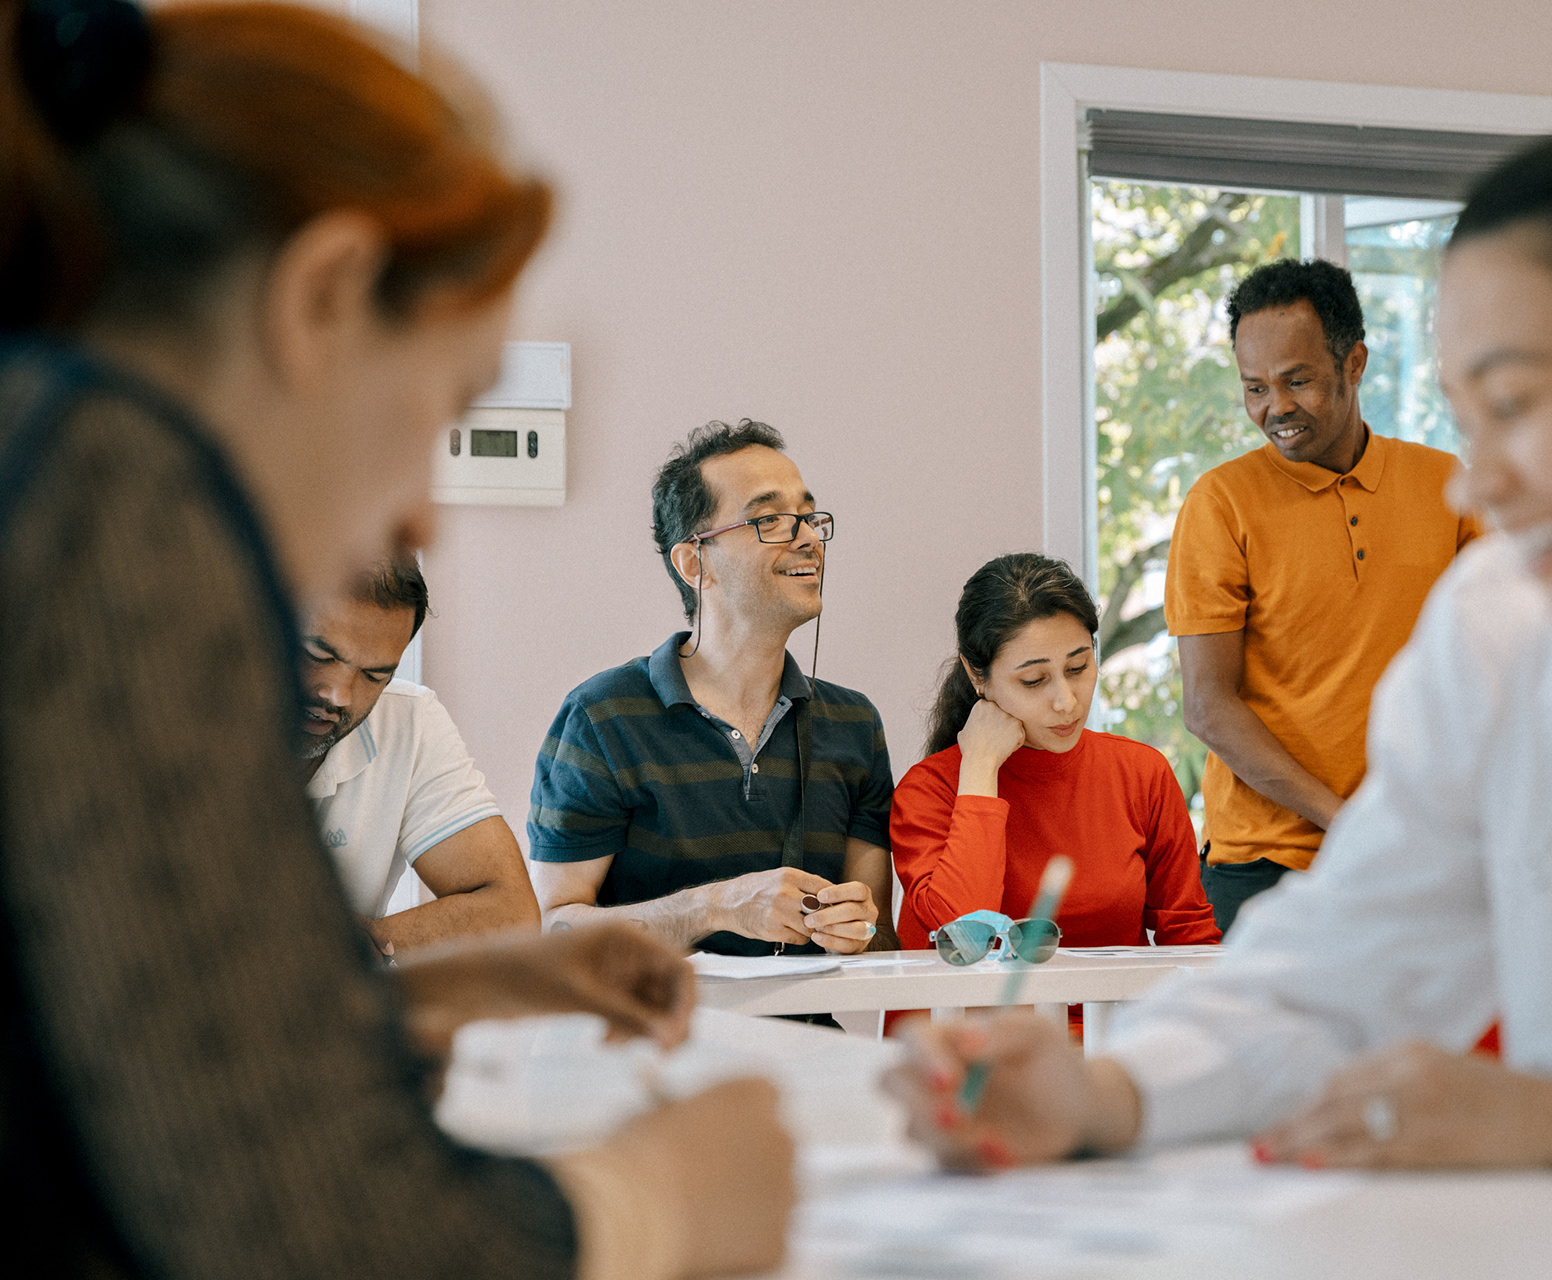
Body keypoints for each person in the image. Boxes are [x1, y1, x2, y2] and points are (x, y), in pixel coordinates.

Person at [883, 121, 1552, 1244]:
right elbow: (1333, 971)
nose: (1478, 484)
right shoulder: (1503, 632)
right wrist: (1104, 1094)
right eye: (1465, 421)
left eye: (1516, 404)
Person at [0, 3, 790, 1277]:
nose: (424, 510)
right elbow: (301, 1220)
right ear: (323, 295)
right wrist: (657, 1198)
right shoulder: (105, 490)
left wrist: (459, 988)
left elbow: (129, 1047)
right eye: (446, 405)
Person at [1168, 259, 1479, 932]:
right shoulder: (1221, 505)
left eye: (1296, 380)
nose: (1273, 406)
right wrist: (1345, 819)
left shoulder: (1446, 487)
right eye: (1254, 387)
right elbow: (1208, 706)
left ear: (1354, 362)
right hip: (1264, 871)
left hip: (1414, 858)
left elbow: (1493, 669)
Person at [528, 420, 896, 956]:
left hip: (807, 1039)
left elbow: (880, 939)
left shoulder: (854, 724)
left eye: (809, 517)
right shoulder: (603, 717)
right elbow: (554, 930)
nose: (810, 538)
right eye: (769, 518)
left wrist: (859, 930)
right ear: (693, 562)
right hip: (652, 1039)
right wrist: (716, 907)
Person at [891, 553, 1219, 959]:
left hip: (1110, 1021)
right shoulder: (929, 790)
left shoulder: (1141, 773)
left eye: (1078, 667)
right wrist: (978, 769)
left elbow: (1191, 939)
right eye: (1034, 680)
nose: (1066, 702)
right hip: (980, 1023)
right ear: (978, 675)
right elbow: (964, 938)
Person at [301, 557, 540, 954]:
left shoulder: (409, 721)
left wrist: (352, 948)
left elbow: (512, 914)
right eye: (318, 654)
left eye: (374, 676)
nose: (339, 695)